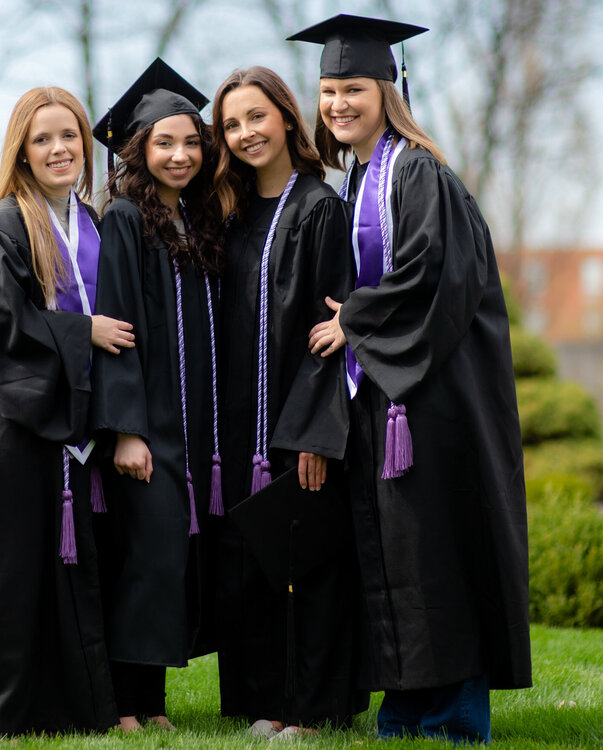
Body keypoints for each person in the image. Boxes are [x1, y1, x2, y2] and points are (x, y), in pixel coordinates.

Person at [292, 14, 533, 744]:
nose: (339, 104)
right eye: (330, 91)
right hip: (389, 397)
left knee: (438, 551)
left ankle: (454, 716)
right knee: (398, 556)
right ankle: (404, 707)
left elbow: (435, 274)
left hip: (433, 403)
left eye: (354, 89)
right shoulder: (364, 174)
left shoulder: (420, 171)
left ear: (388, 92)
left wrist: (354, 320)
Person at [0, 86, 136, 737]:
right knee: (10, 579)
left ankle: (67, 711)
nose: (60, 149)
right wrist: (84, 334)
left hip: (63, 427)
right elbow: (1, 327)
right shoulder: (5, 225)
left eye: (69, 135)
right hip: (11, 425)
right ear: (21, 152)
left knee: (64, 571)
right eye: (43, 138)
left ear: (86, 141)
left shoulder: (89, 223)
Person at [209, 65, 366, 739]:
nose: (246, 133)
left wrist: (315, 432)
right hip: (240, 422)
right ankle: (265, 700)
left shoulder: (318, 207)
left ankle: (314, 709)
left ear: (286, 117)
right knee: (259, 561)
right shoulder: (232, 214)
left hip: (297, 419)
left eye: (256, 117)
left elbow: (332, 332)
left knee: (310, 564)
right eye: (232, 124)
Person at [89, 58, 226, 733]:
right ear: (137, 150)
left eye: (190, 141)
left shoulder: (193, 223)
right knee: (140, 561)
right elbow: (113, 329)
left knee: (168, 559)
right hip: (149, 426)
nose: (180, 154)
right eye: (163, 143)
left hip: (193, 426)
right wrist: (126, 429)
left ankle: (153, 702)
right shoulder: (122, 220)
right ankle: (123, 705)